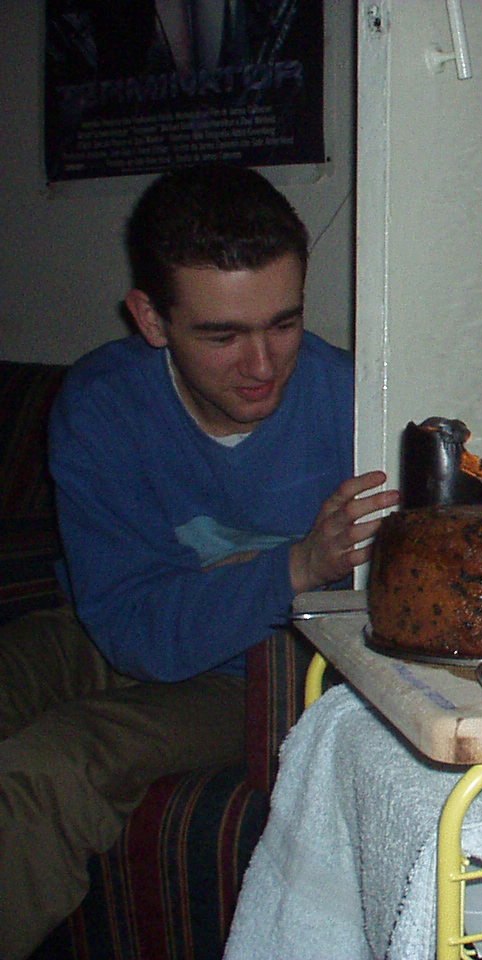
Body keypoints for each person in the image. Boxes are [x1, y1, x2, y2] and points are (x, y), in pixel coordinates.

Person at [0, 162, 398, 958]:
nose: (263, 365)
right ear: (151, 319)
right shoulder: (102, 404)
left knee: (42, 770)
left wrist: (301, 578)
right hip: (113, 627)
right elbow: (131, 631)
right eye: (222, 335)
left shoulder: (359, 407)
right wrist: (294, 565)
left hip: (260, 670)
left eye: (284, 323)